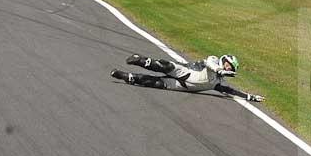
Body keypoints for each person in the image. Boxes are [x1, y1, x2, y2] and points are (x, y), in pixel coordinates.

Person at [110, 53, 264, 102]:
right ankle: (140, 59)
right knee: (165, 65)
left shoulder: (218, 83)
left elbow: (231, 91)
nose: (228, 68)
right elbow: (210, 64)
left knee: (154, 82)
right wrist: (220, 70)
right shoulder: (214, 60)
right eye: (229, 65)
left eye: (231, 68)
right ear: (224, 61)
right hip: (185, 71)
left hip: (181, 86)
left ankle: (125, 76)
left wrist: (250, 96)